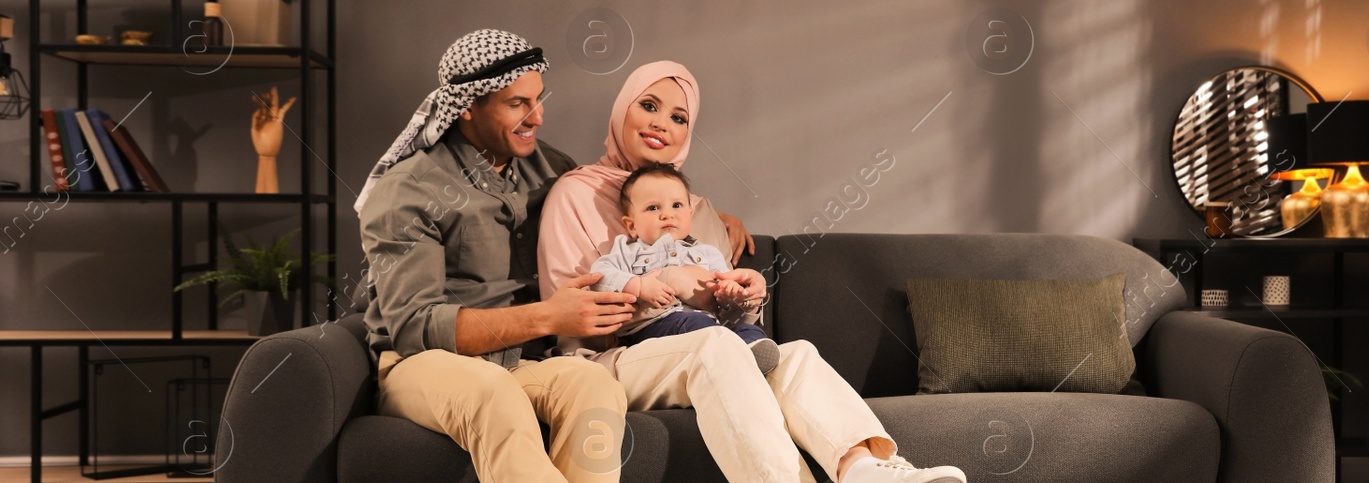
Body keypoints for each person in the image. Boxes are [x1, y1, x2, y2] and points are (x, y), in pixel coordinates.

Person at [539, 61, 968, 483]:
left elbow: (725, 316)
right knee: (715, 347)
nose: (661, 124)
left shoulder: (698, 212)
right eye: (648, 106)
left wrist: (746, 297)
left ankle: (863, 468)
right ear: (621, 112)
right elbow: (570, 316)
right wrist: (665, 284)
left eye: (679, 117)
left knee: (793, 353)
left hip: (707, 342)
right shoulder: (575, 194)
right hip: (609, 358)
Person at [353, 29, 635, 483]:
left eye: (539, 100)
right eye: (517, 104)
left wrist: (707, 217)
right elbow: (416, 328)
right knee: (492, 392)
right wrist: (548, 318)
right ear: (467, 105)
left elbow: (631, 202)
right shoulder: (410, 189)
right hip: (422, 366)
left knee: (594, 385)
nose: (538, 117)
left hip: (521, 363)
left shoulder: (551, 168)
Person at [590, 162, 779, 373]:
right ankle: (734, 354)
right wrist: (638, 286)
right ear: (632, 225)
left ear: (690, 213)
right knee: (698, 325)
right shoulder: (628, 250)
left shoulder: (708, 253)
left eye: (677, 205)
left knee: (744, 329)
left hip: (710, 327)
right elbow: (599, 277)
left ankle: (751, 352)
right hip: (653, 328)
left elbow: (725, 287)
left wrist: (731, 293)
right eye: (653, 208)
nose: (667, 214)